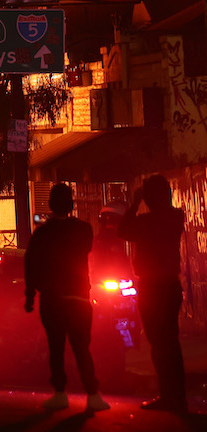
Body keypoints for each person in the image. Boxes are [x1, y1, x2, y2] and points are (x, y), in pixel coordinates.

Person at [23, 183, 110, 412]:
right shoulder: (83, 230)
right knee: (82, 348)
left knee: (56, 347)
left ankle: (60, 393)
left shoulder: (41, 234)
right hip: (79, 297)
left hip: (52, 300)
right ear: (71, 204)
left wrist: (30, 297)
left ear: (51, 205)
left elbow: (31, 266)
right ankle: (92, 394)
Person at [118, 174, 187, 412]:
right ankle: (174, 396)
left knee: (160, 342)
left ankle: (170, 395)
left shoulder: (148, 222)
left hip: (153, 287)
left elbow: (124, 231)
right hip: (168, 285)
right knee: (168, 342)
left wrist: (134, 203)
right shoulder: (176, 217)